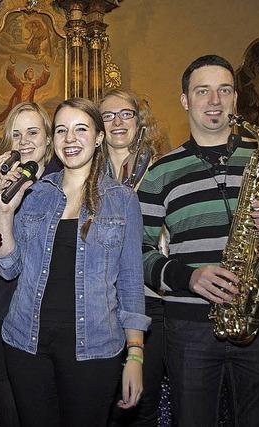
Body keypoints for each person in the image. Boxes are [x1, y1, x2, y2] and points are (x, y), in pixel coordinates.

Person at [137, 54, 259, 427]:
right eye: (202, 91)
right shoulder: (161, 171)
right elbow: (137, 252)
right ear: (185, 100)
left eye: (224, 90)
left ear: (235, 99)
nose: (214, 101)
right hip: (190, 326)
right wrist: (187, 277)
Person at [0, 97, 149, 426]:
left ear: (99, 137)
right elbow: (8, 267)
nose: (70, 138)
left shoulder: (122, 200)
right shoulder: (35, 193)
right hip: (25, 342)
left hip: (94, 347)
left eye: (81, 129)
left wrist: (135, 353)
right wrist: (4, 212)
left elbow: (132, 282)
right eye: (62, 130)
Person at [0, 102, 60, 427]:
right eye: (16, 133)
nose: (24, 141)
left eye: (33, 132)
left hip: (46, 314)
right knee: (6, 410)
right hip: (0, 307)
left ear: (48, 139)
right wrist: (0, 195)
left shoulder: (64, 184)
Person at [100, 88, 168, 426]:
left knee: (143, 401)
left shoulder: (160, 169)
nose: (117, 122)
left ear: (139, 121)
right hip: (102, 299)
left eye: (125, 113)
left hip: (150, 297)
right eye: (108, 116)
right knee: (104, 401)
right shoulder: (87, 172)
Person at [0, 56, 50, 127]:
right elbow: (10, 77)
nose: (32, 73)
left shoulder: (34, 85)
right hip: (17, 104)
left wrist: (46, 69)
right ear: (26, 74)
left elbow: (43, 81)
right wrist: (12, 64)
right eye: (30, 71)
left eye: (32, 72)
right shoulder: (20, 83)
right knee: (9, 117)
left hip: (27, 106)